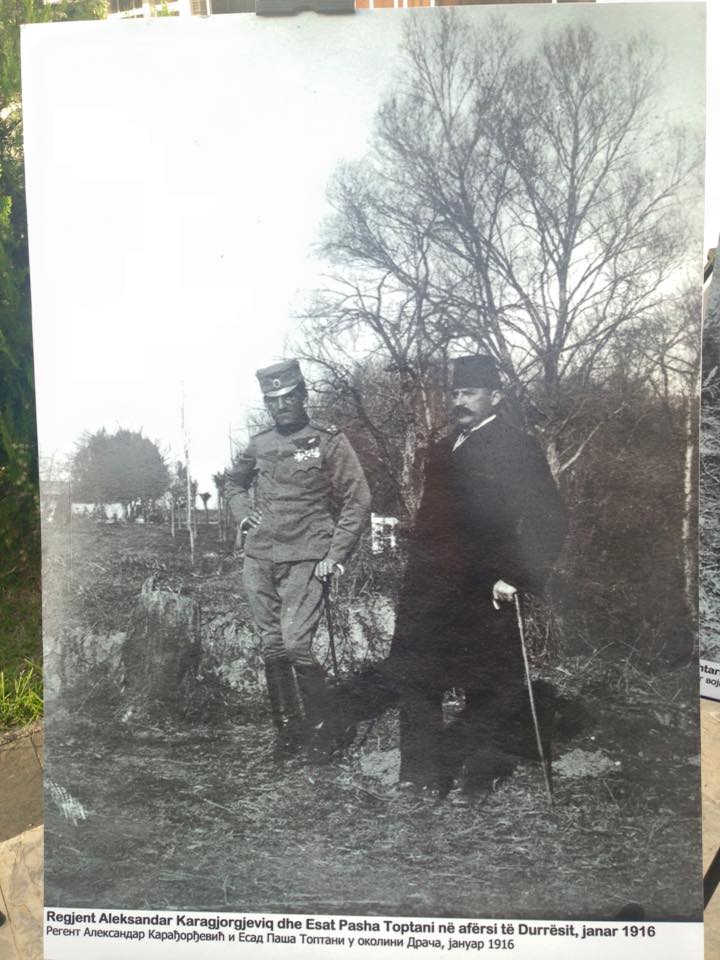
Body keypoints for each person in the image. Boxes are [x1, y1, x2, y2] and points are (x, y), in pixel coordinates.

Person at [387, 355, 567, 794]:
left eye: (469, 393)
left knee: (485, 679)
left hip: (484, 586)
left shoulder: (517, 447)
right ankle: (420, 774)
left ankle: (480, 775)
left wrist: (518, 576)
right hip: (429, 585)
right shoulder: (441, 449)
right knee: (416, 673)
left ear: (496, 397)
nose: (459, 402)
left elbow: (551, 519)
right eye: (454, 393)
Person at [226, 359, 371, 759]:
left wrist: (336, 554)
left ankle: (328, 730)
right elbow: (233, 484)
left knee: (295, 644)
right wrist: (243, 516)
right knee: (272, 644)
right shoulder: (260, 443)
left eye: (289, 397)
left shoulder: (328, 440)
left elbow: (358, 499)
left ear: (304, 395)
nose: (281, 406)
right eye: (272, 400)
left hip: (308, 556)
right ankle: (290, 731)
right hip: (260, 555)